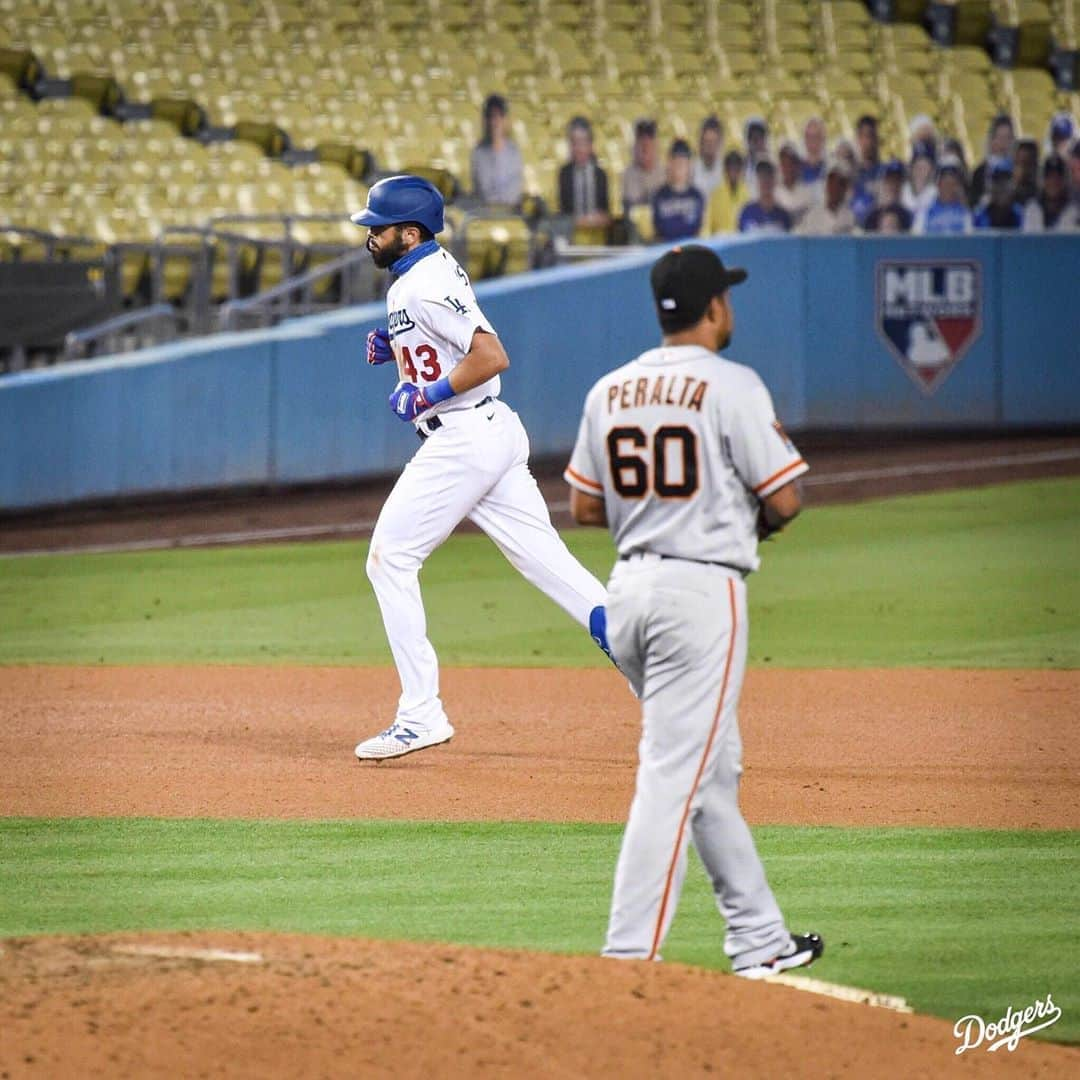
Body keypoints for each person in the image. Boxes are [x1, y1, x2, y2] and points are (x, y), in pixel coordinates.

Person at [564, 242, 824, 977]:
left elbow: (584, 505)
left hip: (627, 597)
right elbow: (785, 498)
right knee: (674, 775)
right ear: (714, 308)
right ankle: (625, 958)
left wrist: (655, 508)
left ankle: (760, 938)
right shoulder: (733, 384)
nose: (730, 309)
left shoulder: (608, 389)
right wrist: (728, 511)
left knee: (712, 769)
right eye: (727, 299)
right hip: (699, 599)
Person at [350, 175, 611, 760]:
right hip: (489, 432)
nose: (369, 236)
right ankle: (647, 664)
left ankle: (421, 715)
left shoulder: (421, 284)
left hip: (463, 437)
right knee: (553, 568)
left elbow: (491, 355)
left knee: (390, 557)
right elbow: (444, 333)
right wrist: (395, 345)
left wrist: (424, 394)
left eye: (378, 228)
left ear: (409, 232)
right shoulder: (426, 273)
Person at [558, 116, 611, 237]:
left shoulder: (600, 174)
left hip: (598, 233)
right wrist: (579, 221)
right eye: (574, 143)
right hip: (572, 233)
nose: (579, 148)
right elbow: (563, 213)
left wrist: (599, 218)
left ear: (590, 144)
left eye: (583, 142)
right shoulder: (564, 174)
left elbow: (607, 213)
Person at [470, 94, 523, 206]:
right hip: (485, 212)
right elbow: (483, 189)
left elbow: (515, 189)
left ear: (505, 119)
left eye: (499, 116)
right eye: (491, 117)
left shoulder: (514, 152)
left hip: (510, 212)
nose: (495, 122)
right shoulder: (478, 153)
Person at [651, 138, 705, 241]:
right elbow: (660, 230)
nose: (680, 166)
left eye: (683, 162)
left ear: (689, 165)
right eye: (676, 161)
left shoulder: (697, 196)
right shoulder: (659, 195)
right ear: (670, 163)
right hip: (665, 250)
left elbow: (695, 229)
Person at [913, 157, 972, 234]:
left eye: (952, 184)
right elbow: (917, 238)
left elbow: (969, 240)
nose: (948, 188)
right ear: (938, 184)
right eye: (945, 183)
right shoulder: (925, 212)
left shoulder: (964, 213)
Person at [798, 157, 856, 234]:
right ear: (826, 185)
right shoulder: (812, 216)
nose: (835, 188)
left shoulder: (850, 217)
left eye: (840, 183)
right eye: (831, 182)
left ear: (846, 188)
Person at [1022, 153, 1079, 231]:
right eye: (1049, 177)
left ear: (1065, 180)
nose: (1053, 182)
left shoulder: (1075, 210)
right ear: (1042, 180)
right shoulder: (1032, 209)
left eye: (1058, 177)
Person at [970, 113, 1014, 208]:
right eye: (1000, 138)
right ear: (992, 140)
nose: (1004, 144)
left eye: (1008, 138)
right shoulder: (979, 172)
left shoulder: (1017, 170)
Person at [737, 159, 792, 234]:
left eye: (769, 176)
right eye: (762, 177)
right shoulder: (746, 212)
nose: (765, 181)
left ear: (775, 181)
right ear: (757, 181)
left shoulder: (783, 216)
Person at [622, 118, 666, 211]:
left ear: (656, 145)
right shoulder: (628, 174)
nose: (645, 145)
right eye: (641, 140)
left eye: (649, 140)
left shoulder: (666, 173)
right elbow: (632, 205)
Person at [703, 149, 749, 234]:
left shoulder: (748, 194)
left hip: (742, 241)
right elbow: (707, 224)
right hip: (720, 241)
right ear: (725, 169)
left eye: (737, 168)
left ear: (742, 170)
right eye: (730, 167)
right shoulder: (716, 194)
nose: (733, 171)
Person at [863, 159, 913, 232]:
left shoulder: (908, 216)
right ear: (882, 183)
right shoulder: (871, 216)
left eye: (897, 181)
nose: (894, 186)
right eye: (889, 181)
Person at [973, 159, 1025, 229]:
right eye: (997, 182)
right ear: (990, 187)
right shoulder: (979, 215)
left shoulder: (1021, 214)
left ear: (1013, 185)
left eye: (1006, 181)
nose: (1001, 188)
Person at [774, 140, 814, 226]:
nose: (788, 168)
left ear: (798, 165)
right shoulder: (772, 192)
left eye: (792, 163)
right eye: (784, 163)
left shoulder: (808, 192)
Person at [692, 115, 724, 196]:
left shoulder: (726, 170)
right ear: (700, 142)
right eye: (707, 141)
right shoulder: (691, 169)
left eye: (714, 141)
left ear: (720, 143)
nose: (710, 146)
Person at [902, 148, 937, 219]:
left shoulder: (936, 192)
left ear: (932, 170)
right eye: (917, 165)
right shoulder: (901, 190)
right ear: (910, 168)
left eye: (925, 167)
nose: (920, 170)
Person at [742, 116, 770, 196]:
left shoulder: (775, 164)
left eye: (760, 136)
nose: (756, 141)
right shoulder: (741, 166)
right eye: (752, 137)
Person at [1013, 139, 1040, 205]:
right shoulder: (1006, 191)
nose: (1024, 168)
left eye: (1028, 163)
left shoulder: (1041, 192)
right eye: (1021, 162)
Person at [801, 116, 827, 182]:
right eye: (808, 136)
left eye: (816, 136)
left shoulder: (830, 168)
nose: (812, 141)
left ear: (823, 139)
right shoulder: (796, 169)